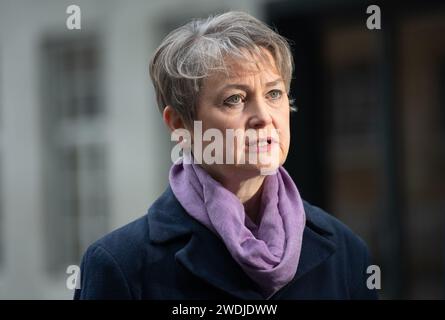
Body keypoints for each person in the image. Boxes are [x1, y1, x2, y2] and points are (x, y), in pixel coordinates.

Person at [74, 11, 377, 300]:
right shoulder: (121, 265)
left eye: (274, 93)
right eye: (235, 99)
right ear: (180, 124)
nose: (263, 117)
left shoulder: (346, 252)